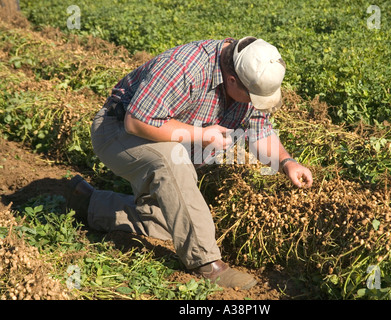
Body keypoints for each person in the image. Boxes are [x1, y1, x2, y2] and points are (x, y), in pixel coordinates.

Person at [65, 36, 313, 290]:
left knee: (173, 221)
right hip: (118, 130)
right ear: (231, 80)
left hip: (171, 138)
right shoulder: (184, 68)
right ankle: (207, 263)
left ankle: (90, 203)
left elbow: (258, 130)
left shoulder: (249, 72)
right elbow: (137, 121)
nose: (252, 104)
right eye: (251, 97)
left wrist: (286, 162)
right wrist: (201, 135)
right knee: (172, 161)